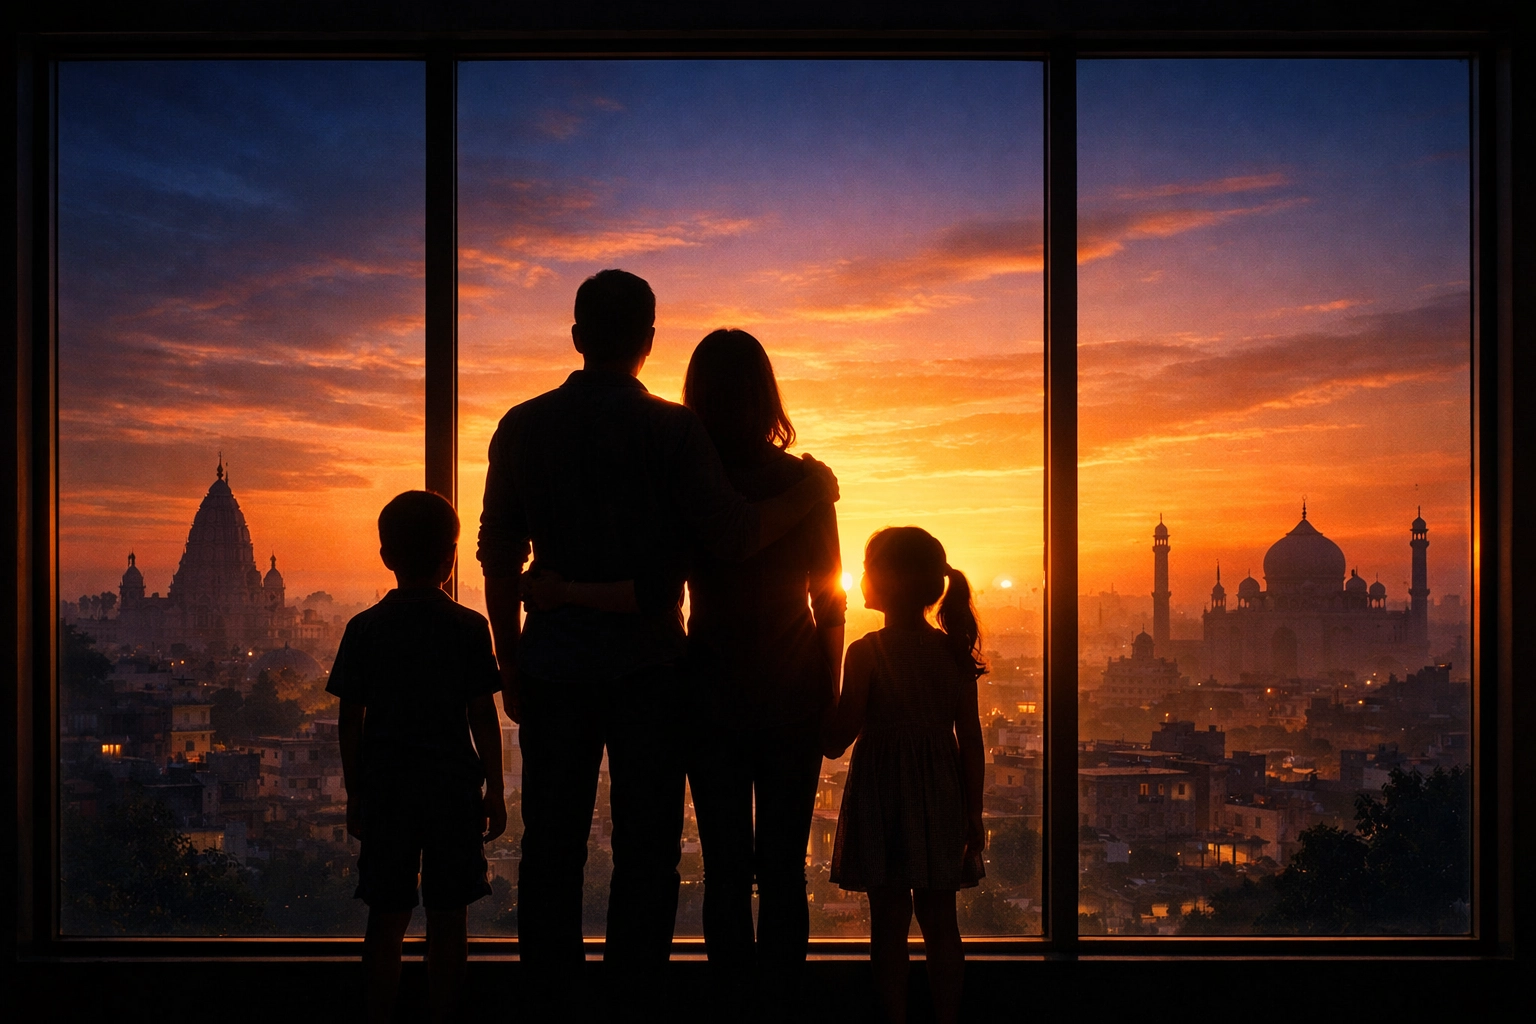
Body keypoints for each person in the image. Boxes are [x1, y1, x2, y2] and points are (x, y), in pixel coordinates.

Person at [476, 270, 838, 1008]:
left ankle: (551, 1000)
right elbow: (733, 536)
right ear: (647, 341)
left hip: (555, 666)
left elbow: (497, 554)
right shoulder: (672, 433)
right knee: (647, 856)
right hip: (651, 673)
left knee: (551, 851)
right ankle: (636, 999)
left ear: (577, 337)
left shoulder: (521, 426)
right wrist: (811, 489)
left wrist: (510, 658)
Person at [328, 490, 506, 1024]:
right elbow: (482, 716)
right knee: (449, 918)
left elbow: (349, 720)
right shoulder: (469, 627)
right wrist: (495, 789)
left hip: (387, 790)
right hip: (452, 789)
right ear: (451, 556)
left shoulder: (364, 628)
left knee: (386, 916)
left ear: (387, 556)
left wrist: (355, 792)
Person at [822, 527, 986, 1024]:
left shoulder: (866, 652)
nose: (860, 578)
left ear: (889, 581)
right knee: (941, 923)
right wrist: (973, 814)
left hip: (882, 800)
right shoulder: (953, 652)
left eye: (867, 568)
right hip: (941, 798)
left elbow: (837, 738)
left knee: (888, 926)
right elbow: (971, 740)